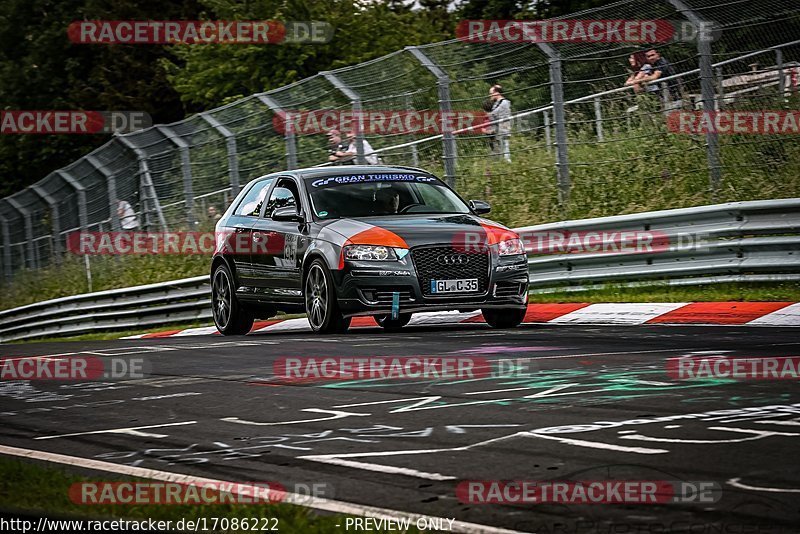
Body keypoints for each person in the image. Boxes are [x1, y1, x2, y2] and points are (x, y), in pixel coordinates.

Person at [485, 84, 512, 162]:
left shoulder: (504, 103)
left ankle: (507, 164)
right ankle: (501, 163)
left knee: (505, 148)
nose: (490, 95)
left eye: (491, 93)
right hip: (497, 129)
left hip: (503, 128)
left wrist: (487, 115)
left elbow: (494, 114)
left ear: (496, 93)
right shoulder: (497, 103)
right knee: (499, 149)